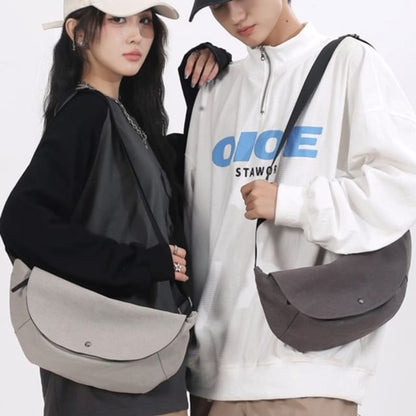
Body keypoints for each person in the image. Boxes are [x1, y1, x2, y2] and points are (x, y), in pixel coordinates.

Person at [181, 1, 416, 415]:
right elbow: (191, 220)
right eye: (219, 5)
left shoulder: (349, 63)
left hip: (309, 370)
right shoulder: (215, 89)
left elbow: (399, 188)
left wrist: (293, 203)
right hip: (210, 377)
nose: (235, 16)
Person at [0, 1, 230, 415]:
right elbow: (22, 223)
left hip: (148, 354)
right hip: (103, 362)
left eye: (145, 21)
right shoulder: (86, 113)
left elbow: (181, 187)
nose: (136, 35)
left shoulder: (125, 117)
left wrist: (202, 90)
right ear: (78, 32)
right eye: (118, 19)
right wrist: (138, 264)